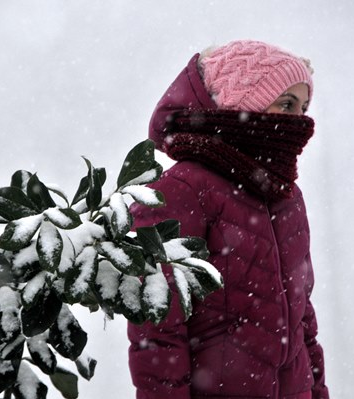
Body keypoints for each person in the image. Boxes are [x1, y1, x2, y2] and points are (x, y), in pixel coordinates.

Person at [127, 40, 329, 399]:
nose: (298, 121)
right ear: (242, 101)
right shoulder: (183, 189)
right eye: (286, 104)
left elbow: (303, 321)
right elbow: (157, 330)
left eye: (302, 108)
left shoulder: (286, 196)